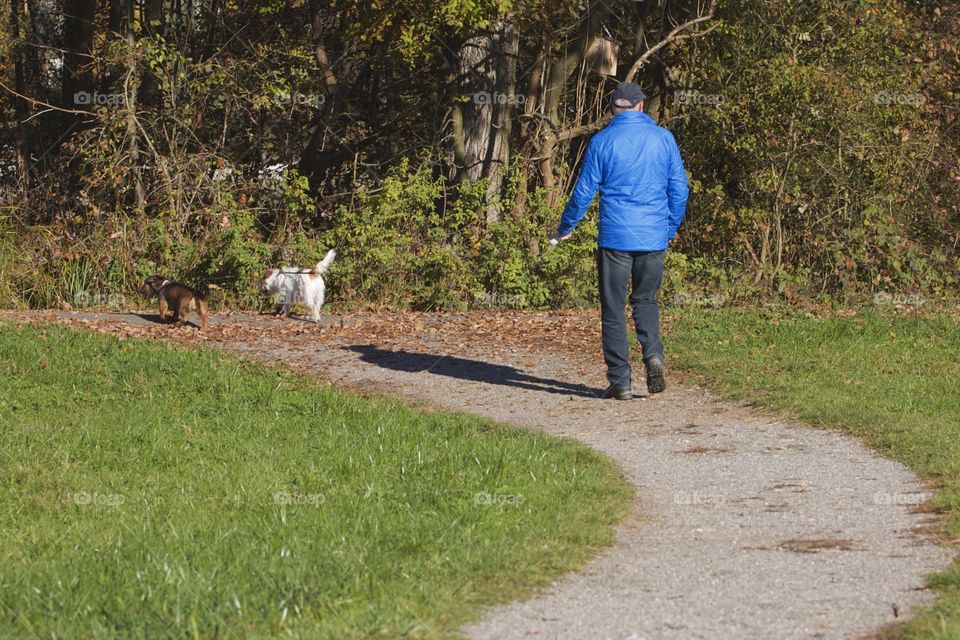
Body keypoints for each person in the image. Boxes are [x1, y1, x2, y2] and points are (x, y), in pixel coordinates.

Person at [552, 81, 689, 400]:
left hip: (615, 237)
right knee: (645, 300)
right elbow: (679, 190)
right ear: (641, 106)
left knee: (613, 308)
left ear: (615, 108)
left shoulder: (602, 141)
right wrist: (668, 228)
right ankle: (653, 354)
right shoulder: (664, 139)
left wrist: (566, 226)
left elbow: (584, 191)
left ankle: (621, 382)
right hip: (653, 236)